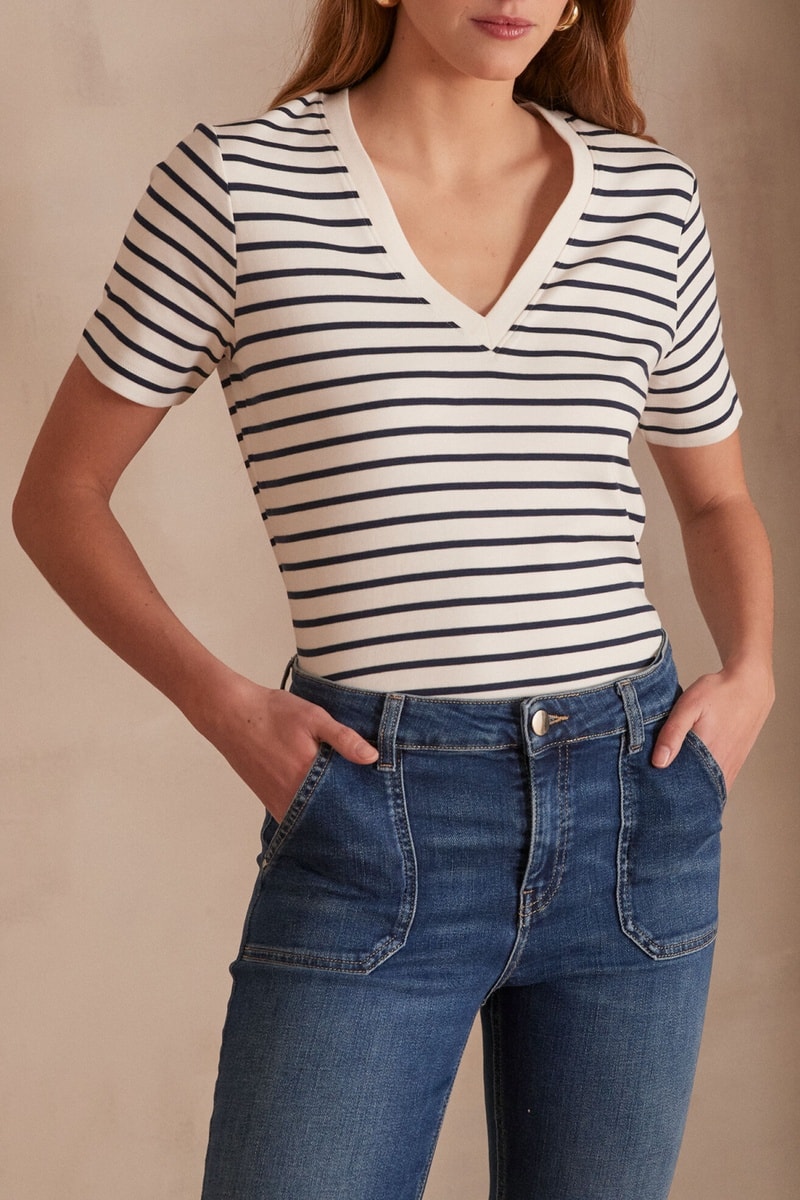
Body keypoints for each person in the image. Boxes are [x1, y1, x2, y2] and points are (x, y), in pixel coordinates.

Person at [13, 1, 774, 1197]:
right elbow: (59, 496)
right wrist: (225, 709)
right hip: (371, 808)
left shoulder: (647, 201)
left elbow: (715, 498)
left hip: (633, 803)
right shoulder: (238, 186)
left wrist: (752, 673)